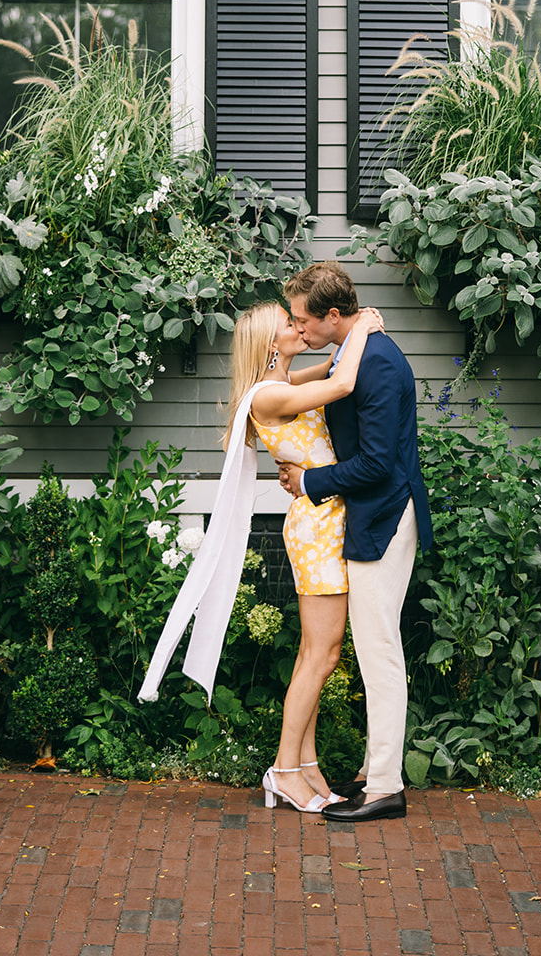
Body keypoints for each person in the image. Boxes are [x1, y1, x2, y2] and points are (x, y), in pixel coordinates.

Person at [138, 297, 382, 815]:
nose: (298, 326)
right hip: (316, 528)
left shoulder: (282, 386)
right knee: (324, 655)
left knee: (314, 655)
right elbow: (341, 384)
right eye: (288, 324)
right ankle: (283, 770)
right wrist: (361, 326)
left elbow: (333, 369)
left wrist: (349, 339)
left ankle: (307, 765)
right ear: (271, 343)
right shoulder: (267, 396)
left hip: (324, 518)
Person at [279, 261, 433, 822]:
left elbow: (376, 463)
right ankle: (375, 769)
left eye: (303, 320)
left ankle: (387, 787)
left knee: (378, 649)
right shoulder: (352, 352)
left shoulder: (380, 364)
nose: (299, 328)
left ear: (333, 316)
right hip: (370, 515)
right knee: (374, 646)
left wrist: (309, 482)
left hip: (385, 517)